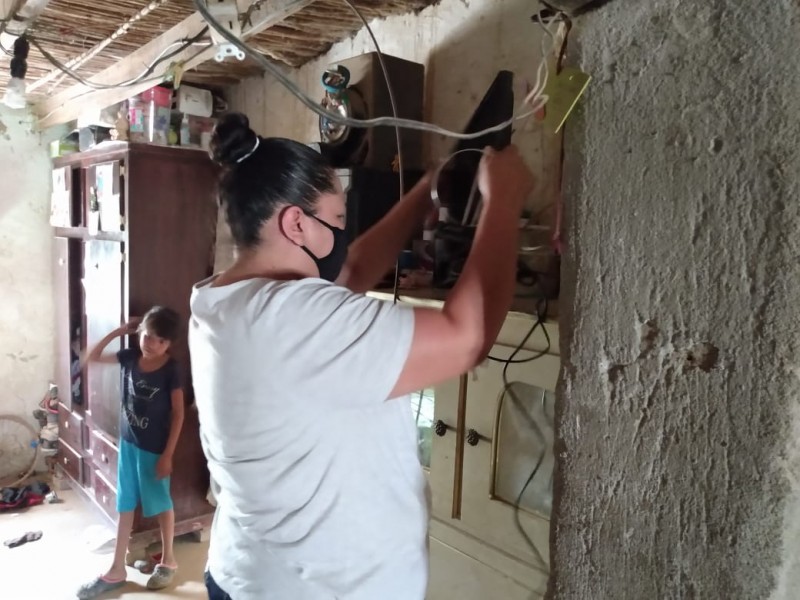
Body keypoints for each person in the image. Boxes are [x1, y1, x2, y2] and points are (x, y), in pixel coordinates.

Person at [189, 113, 534, 600]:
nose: (343, 230)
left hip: (252, 573)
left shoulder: (227, 300)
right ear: (295, 223)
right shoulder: (295, 320)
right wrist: (504, 199)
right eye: (336, 218)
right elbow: (468, 337)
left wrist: (424, 194)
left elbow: (349, 269)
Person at [77, 306, 185, 599]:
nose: (152, 344)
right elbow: (91, 357)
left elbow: (178, 414)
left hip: (154, 450)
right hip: (129, 443)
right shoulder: (128, 357)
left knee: (161, 503)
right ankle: (116, 569)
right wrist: (119, 331)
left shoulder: (170, 370)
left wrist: (168, 455)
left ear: (169, 344)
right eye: (148, 336)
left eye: (160, 341)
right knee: (125, 502)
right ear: (140, 333)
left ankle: (169, 560)